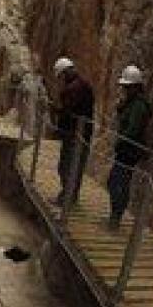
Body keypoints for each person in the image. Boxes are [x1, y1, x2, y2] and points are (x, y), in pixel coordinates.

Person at [107, 65, 153, 230]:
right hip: (127, 150)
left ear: (135, 87)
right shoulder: (132, 102)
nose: (124, 89)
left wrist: (120, 141)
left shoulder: (139, 106)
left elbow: (133, 129)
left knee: (117, 182)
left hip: (128, 150)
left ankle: (116, 217)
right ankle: (115, 215)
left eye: (127, 87)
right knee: (119, 181)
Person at [53, 57, 95, 204]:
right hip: (84, 134)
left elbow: (69, 111)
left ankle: (66, 198)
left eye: (61, 76)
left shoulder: (73, 88)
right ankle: (71, 196)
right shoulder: (85, 85)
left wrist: (58, 113)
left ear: (65, 73)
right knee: (75, 167)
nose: (61, 80)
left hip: (74, 134)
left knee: (65, 166)